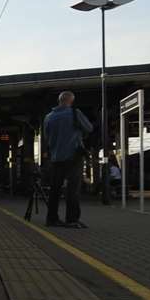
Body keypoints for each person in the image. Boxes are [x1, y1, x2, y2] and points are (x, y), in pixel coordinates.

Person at [40, 90, 93, 228]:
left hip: (56, 158)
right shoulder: (74, 113)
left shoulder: (48, 117)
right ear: (71, 101)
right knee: (72, 189)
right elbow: (89, 128)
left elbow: (47, 138)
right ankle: (72, 219)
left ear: (59, 100)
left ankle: (51, 219)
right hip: (73, 157)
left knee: (55, 190)